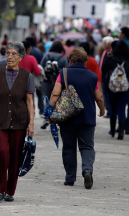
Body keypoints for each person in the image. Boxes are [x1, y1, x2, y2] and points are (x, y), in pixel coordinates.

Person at [0, 41, 35, 202]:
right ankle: (0, 189)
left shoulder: (27, 76)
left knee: (15, 157)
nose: (9, 57)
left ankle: (10, 191)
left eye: (13, 54)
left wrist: (31, 123)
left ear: (21, 57)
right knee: (2, 153)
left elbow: (30, 102)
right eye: (7, 53)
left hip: (19, 121)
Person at [45, 47, 105, 189]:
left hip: (67, 118)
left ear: (70, 60)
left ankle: (70, 178)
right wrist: (102, 110)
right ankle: (87, 170)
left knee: (69, 148)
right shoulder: (92, 76)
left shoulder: (64, 73)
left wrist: (50, 112)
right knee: (87, 147)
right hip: (87, 118)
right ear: (86, 61)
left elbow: (55, 94)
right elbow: (99, 97)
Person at [102, 40, 129, 140]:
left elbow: (103, 71)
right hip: (125, 88)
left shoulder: (110, 58)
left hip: (111, 87)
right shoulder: (128, 60)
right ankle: (121, 132)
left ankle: (112, 130)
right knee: (122, 109)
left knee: (113, 109)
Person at [40, 41, 68, 129]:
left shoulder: (46, 55)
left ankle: (46, 118)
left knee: (47, 99)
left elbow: (41, 68)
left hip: (47, 81)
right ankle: (57, 119)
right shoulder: (63, 58)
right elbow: (66, 71)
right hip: (59, 82)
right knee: (59, 100)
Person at [19, 41, 42, 115]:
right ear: (28, 49)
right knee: (29, 101)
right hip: (28, 84)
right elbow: (38, 72)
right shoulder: (31, 58)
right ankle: (31, 115)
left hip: (16, 84)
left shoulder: (15, 58)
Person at [99, 36, 114, 118]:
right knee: (105, 93)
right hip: (103, 75)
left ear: (108, 44)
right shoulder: (105, 51)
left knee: (106, 93)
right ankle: (108, 110)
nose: (103, 45)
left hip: (106, 76)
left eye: (104, 43)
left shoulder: (109, 52)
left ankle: (109, 110)